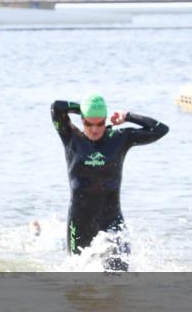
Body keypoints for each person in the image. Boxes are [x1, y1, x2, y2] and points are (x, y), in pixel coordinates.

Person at [50, 95, 168, 271]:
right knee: (78, 277)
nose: (95, 129)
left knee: (120, 272)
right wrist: (82, 108)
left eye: (99, 123)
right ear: (82, 120)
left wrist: (127, 116)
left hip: (111, 218)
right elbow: (56, 107)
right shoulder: (71, 137)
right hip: (80, 220)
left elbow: (160, 129)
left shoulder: (119, 138)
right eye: (89, 123)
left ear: (105, 120)